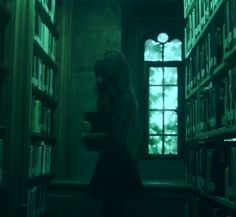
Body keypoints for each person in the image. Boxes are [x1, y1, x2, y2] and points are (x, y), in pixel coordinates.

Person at [82, 50, 144, 217]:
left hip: (116, 164)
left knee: (113, 209)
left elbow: (115, 138)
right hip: (115, 162)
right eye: (98, 75)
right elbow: (110, 131)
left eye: (103, 75)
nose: (99, 79)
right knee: (112, 209)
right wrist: (91, 129)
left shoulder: (122, 99)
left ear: (114, 76)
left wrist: (89, 136)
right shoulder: (116, 97)